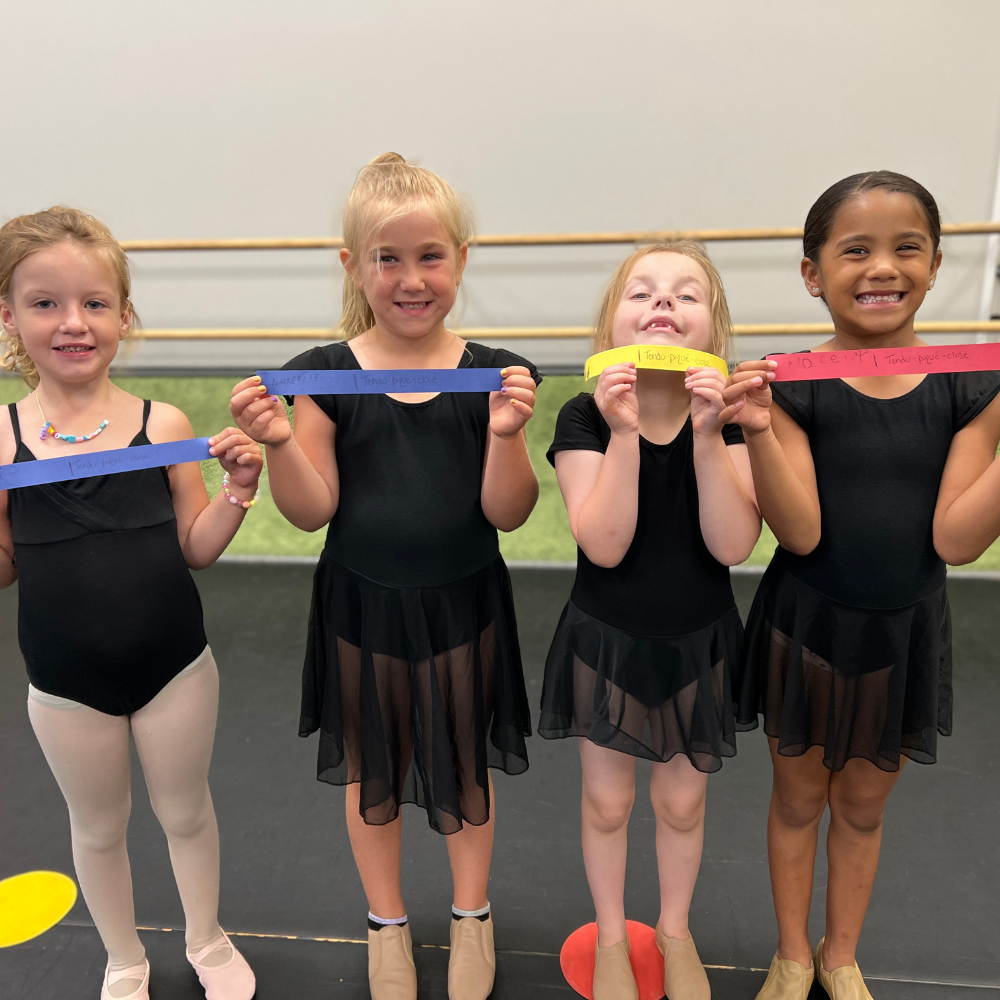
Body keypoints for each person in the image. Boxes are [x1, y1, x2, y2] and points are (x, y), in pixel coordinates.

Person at [230, 153, 539, 1000]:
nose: (411, 279)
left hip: (465, 602)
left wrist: (506, 432)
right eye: (388, 259)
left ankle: (472, 918)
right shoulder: (326, 371)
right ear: (353, 266)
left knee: (464, 762)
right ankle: (387, 925)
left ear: (462, 260)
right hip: (361, 607)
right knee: (373, 768)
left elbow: (509, 513)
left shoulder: (496, 370)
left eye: (430, 256)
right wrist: (283, 442)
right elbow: (310, 510)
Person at [721, 171, 1000, 1000]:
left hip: (903, 628)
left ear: (937, 263)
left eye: (906, 247)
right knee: (799, 796)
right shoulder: (793, 381)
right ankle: (792, 952)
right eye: (856, 250)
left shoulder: (973, 381)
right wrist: (760, 427)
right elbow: (799, 531)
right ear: (813, 273)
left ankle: (841, 955)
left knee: (866, 808)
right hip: (805, 625)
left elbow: (954, 537)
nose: (883, 267)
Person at [0, 206, 261, 1000]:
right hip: (65, 682)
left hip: (174, 667)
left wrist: (240, 492)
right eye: (45, 303)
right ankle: (123, 957)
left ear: (123, 314)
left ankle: (207, 939)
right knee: (98, 827)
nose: (73, 323)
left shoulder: (163, 424)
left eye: (94, 303)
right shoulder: (3, 437)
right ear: (8, 317)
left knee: (186, 813)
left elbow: (196, 549)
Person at [540, 242, 760, 1000]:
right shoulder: (583, 416)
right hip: (606, 639)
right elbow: (603, 543)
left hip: (701, 643)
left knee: (683, 800)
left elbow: (733, 543)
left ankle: (673, 929)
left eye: (685, 294)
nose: (662, 302)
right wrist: (626, 431)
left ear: (713, 330)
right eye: (641, 292)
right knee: (608, 802)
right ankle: (609, 932)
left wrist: (706, 433)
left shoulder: (730, 422)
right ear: (613, 325)